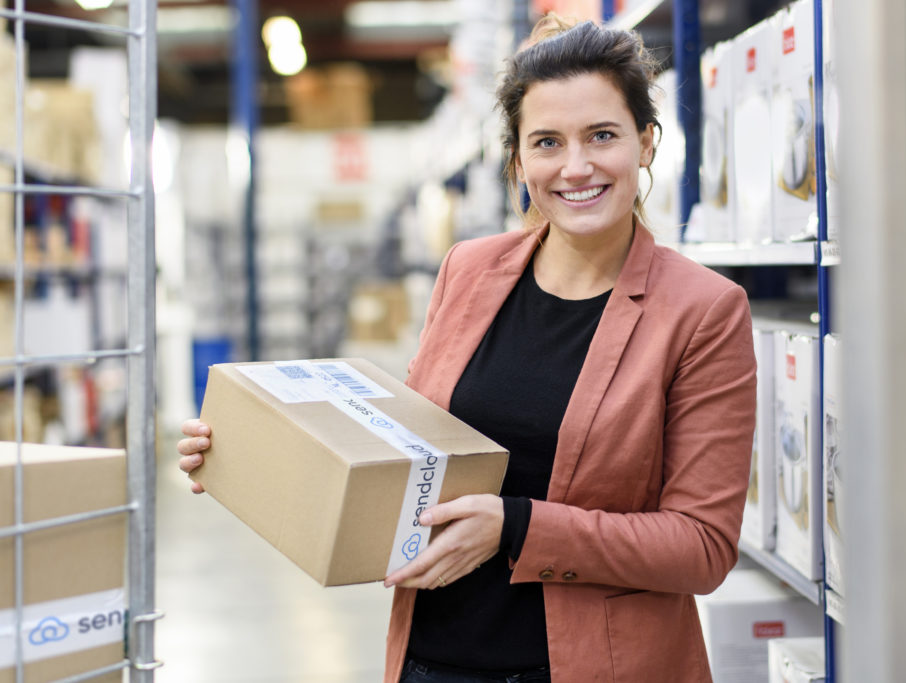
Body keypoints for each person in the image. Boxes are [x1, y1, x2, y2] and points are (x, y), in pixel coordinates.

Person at [179, 14, 756, 683]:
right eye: (547, 142)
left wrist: (513, 526)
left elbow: (701, 547)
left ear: (646, 143)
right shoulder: (469, 270)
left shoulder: (703, 310)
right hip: (432, 656)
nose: (576, 166)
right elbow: (406, 450)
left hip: (585, 666)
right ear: (516, 159)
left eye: (602, 135)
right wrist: (249, 454)